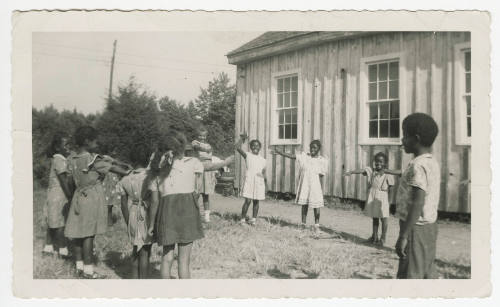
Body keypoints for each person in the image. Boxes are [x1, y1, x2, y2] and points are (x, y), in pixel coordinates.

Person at [148, 132, 233, 279]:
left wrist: (151, 225)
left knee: (166, 258)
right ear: (182, 148)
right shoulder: (193, 163)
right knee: (184, 261)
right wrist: (226, 162)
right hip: (187, 210)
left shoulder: (156, 170)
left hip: (167, 213)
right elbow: (209, 167)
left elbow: (154, 202)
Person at [64, 126, 129, 279]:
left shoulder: (73, 159)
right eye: (94, 141)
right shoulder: (92, 159)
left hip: (78, 196)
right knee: (89, 235)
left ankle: (79, 267)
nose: (97, 143)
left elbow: (69, 180)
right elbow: (113, 168)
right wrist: (128, 172)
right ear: (87, 141)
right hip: (91, 198)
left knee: (79, 233)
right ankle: (88, 270)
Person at [395, 113, 440, 279]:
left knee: (411, 274)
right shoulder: (431, 162)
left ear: (416, 138)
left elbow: (417, 202)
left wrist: (404, 235)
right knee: (426, 269)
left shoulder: (418, 166)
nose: (402, 140)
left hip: (415, 228)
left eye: (405, 135)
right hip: (430, 226)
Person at [344, 152, 401, 246]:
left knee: (384, 219)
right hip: (373, 195)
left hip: (383, 198)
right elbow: (362, 171)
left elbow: (391, 189)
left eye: (381, 162)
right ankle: (374, 236)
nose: (378, 163)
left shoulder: (388, 174)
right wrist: (351, 172)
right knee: (375, 217)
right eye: (377, 161)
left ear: (385, 163)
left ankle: (383, 238)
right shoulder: (372, 171)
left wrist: (390, 202)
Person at [271, 140, 328, 234]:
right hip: (305, 184)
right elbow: (293, 156)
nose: (313, 149)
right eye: (311, 147)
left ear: (319, 149)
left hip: (315, 186)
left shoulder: (322, 161)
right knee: (304, 204)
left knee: (316, 205)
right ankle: (303, 223)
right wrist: (281, 152)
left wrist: (317, 187)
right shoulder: (304, 157)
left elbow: (321, 175)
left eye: (315, 147)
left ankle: (317, 225)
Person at [116, 146, 153, 279]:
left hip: (132, 213)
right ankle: (143, 283)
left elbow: (123, 205)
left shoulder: (125, 179)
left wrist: (128, 221)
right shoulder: (150, 176)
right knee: (145, 251)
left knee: (135, 250)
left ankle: (134, 279)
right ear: (148, 159)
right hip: (146, 213)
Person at [42, 132, 72, 258]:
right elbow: (63, 180)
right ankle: (63, 249)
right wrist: (70, 196)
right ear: (57, 147)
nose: (68, 147)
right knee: (59, 223)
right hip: (59, 194)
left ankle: (48, 247)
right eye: (66, 145)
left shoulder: (57, 158)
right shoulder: (60, 159)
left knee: (52, 221)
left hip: (53, 193)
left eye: (70, 144)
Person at [235, 133, 266, 226]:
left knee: (256, 201)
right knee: (248, 201)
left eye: (257, 146)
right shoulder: (248, 155)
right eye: (253, 145)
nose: (255, 147)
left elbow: (263, 172)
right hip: (250, 181)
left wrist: (263, 178)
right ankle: (242, 220)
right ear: (250, 147)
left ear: (260, 147)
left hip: (258, 182)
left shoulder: (263, 160)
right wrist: (242, 139)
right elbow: (237, 147)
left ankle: (253, 220)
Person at [191, 127, 215, 223]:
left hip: (208, 169)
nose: (202, 137)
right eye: (200, 135)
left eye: (204, 136)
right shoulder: (195, 142)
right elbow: (197, 148)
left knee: (206, 194)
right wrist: (206, 149)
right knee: (196, 193)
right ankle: (193, 214)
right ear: (198, 136)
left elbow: (210, 152)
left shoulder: (208, 144)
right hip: (199, 168)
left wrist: (207, 149)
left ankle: (206, 216)